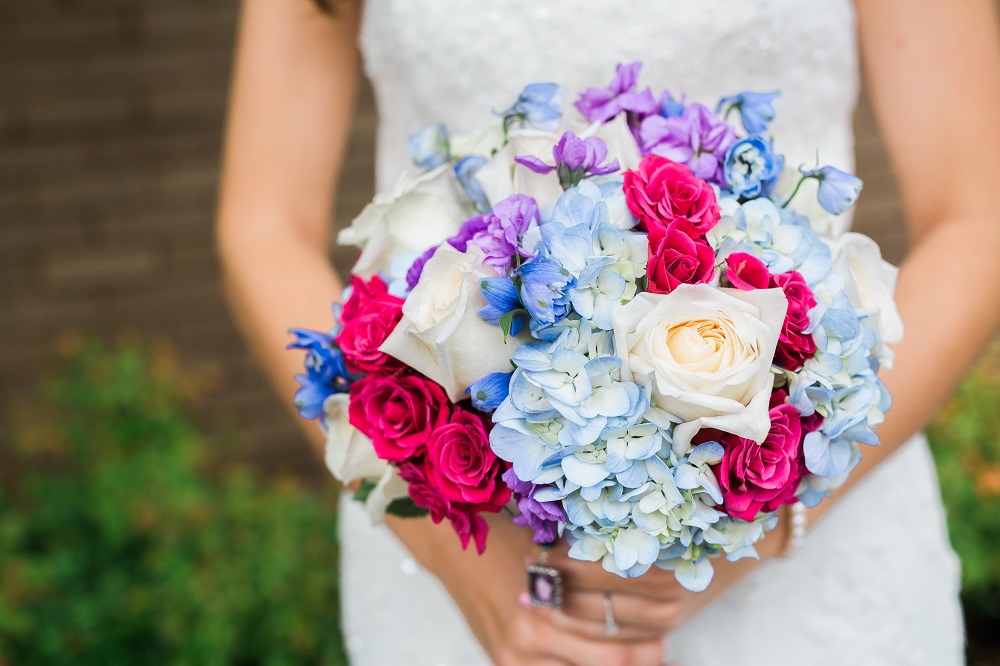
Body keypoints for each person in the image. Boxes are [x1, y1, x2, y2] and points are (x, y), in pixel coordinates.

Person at [215, 1, 1000, 664]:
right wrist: (458, 561)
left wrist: (762, 518)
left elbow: (978, 215)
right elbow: (264, 227)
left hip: (818, 538)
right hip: (466, 561)